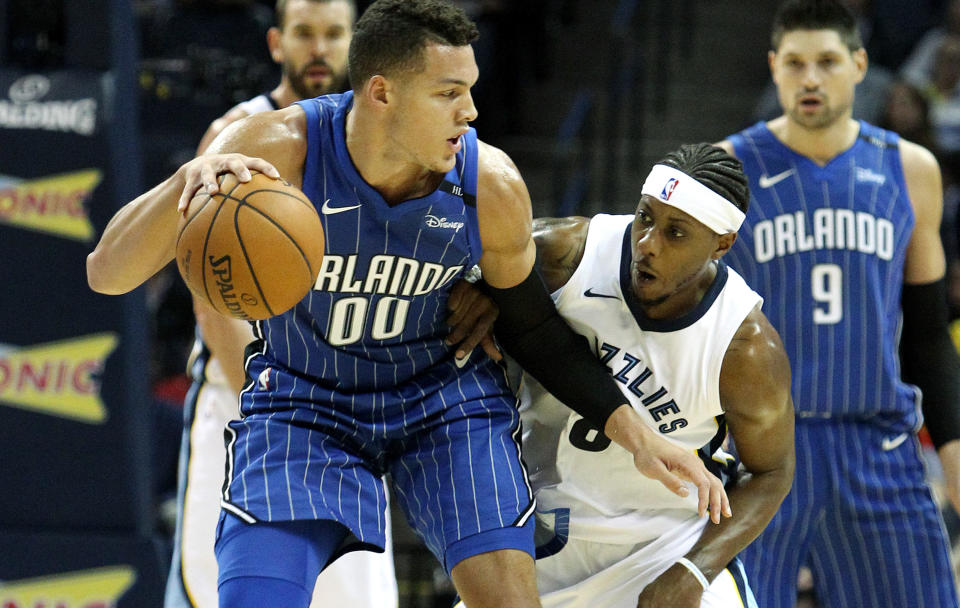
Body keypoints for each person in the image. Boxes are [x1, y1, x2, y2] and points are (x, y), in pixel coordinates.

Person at [86, 1, 729, 607]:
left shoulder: (492, 185)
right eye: (449, 93)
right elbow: (106, 274)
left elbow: (535, 328)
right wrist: (185, 185)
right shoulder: (277, 148)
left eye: (470, 90)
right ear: (383, 92)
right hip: (305, 400)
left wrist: (639, 436)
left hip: (442, 404)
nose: (471, 112)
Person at [717, 1, 960, 606]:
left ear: (859, 65)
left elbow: (928, 335)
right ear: (774, 68)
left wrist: (954, 452)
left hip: (875, 443)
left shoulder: (911, 170)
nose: (810, 78)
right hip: (761, 448)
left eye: (827, 61)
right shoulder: (725, 168)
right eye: (795, 63)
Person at [162, 1, 399, 607]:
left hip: (342, 409)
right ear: (276, 42)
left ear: (356, 44)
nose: (318, 49)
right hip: (244, 404)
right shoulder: (234, 136)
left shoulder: (381, 139)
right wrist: (272, 409)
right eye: (304, 34)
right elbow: (213, 304)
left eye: (333, 34)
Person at [516, 144, 793, 608]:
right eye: (645, 217)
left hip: (664, 546)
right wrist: (488, 291)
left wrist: (693, 571)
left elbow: (772, 471)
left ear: (721, 244)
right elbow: (470, 263)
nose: (647, 244)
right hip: (539, 535)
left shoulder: (744, 348)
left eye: (676, 233)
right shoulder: (566, 255)